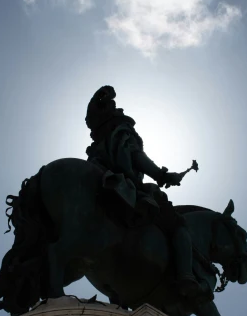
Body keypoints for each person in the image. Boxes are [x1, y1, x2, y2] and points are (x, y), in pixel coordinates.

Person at [84, 85, 204, 298]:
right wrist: (163, 176)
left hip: (100, 177)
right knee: (177, 224)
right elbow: (136, 157)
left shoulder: (99, 140)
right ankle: (186, 276)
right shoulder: (123, 131)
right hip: (127, 184)